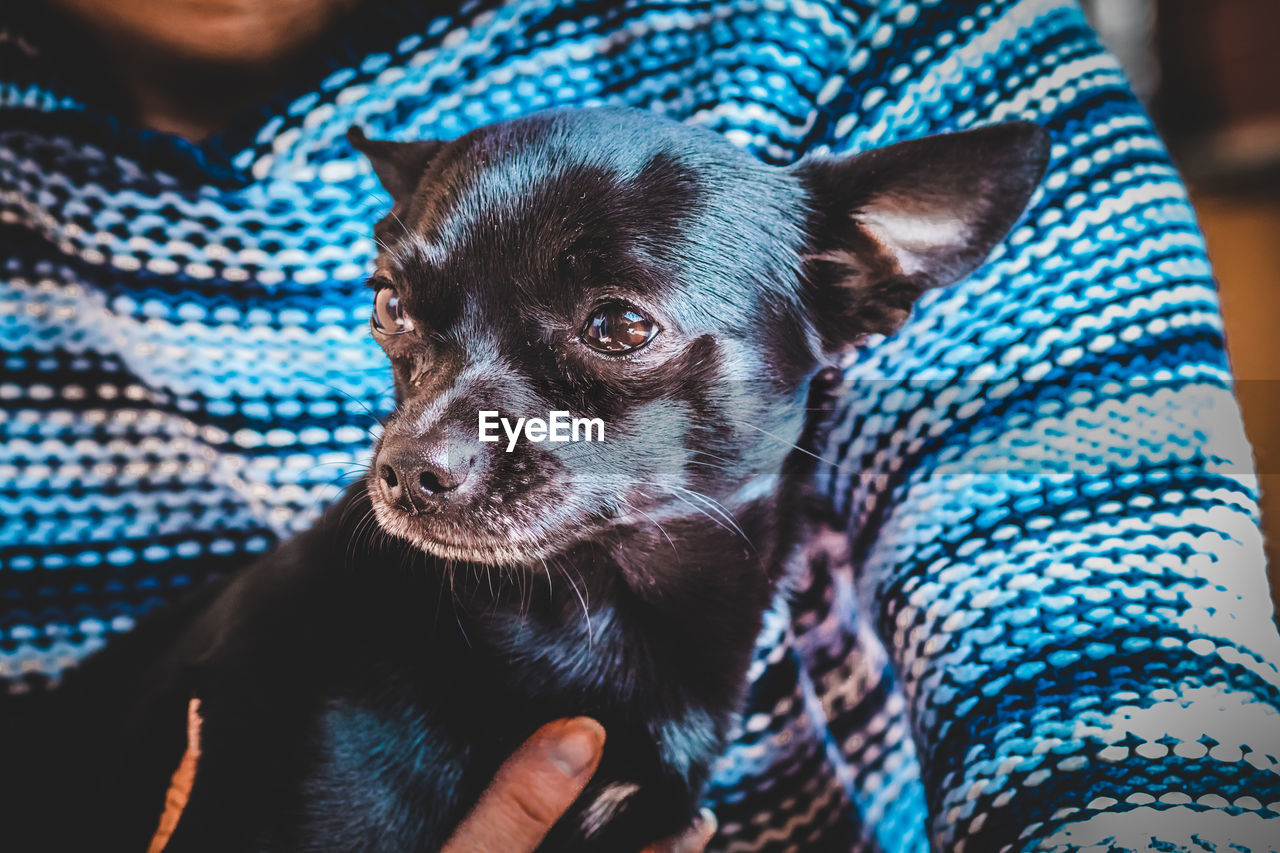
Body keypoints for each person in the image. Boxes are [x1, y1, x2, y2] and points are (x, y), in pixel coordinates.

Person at [3, 0, 1279, 849]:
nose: (432, 443)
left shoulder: (875, 35)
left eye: (614, 333)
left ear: (858, 280)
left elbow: (1113, 655)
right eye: (409, 311)